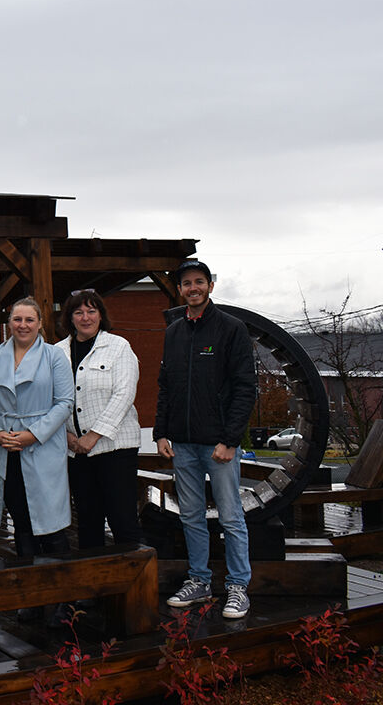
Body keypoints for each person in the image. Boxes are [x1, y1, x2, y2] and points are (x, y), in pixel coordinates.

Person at [155, 259, 257, 620]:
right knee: (192, 517)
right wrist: (161, 432)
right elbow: (166, 387)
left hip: (219, 446)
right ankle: (199, 580)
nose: (193, 288)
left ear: (210, 285)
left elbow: (246, 388)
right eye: (186, 283)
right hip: (181, 444)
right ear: (179, 290)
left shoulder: (232, 329)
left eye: (199, 281)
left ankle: (237, 587)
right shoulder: (173, 333)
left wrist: (230, 440)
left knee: (231, 516)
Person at [0, 297, 75, 560]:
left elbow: (65, 402)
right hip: (6, 447)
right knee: (21, 520)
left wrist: (33, 435)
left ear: (40, 323)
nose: (23, 325)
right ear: (9, 323)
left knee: (50, 523)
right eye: (17, 319)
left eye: (29, 319)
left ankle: (60, 594)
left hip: (42, 447)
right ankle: (28, 587)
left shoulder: (55, 356)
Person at [55, 290, 143, 550]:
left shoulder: (119, 347)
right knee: (87, 522)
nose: (85, 317)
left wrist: (93, 436)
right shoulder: (56, 353)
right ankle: (95, 585)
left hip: (115, 449)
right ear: (70, 318)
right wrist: (66, 436)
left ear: (101, 315)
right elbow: (49, 399)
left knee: (123, 521)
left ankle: (132, 584)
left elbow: (124, 394)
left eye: (91, 311)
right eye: (78, 312)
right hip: (76, 452)